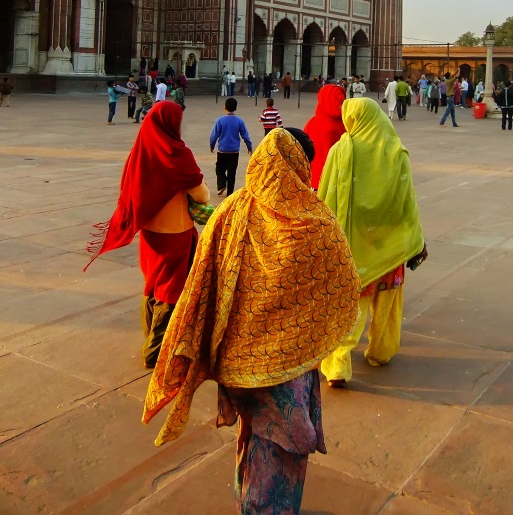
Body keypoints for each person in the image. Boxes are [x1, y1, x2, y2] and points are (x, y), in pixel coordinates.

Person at [142, 128, 360, 514]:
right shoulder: (314, 221)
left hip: (237, 362)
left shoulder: (230, 210)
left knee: (253, 431)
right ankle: (265, 508)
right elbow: (344, 281)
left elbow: (202, 282)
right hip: (287, 365)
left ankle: (249, 501)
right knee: (280, 446)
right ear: (298, 167)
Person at [86, 100, 210, 368]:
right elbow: (200, 193)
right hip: (176, 232)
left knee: (153, 282)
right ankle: (155, 349)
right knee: (171, 288)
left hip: (150, 232)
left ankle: (150, 333)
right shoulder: (178, 154)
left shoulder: (139, 152)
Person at [318, 98, 427, 387]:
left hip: (354, 247)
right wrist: (416, 239)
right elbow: (408, 203)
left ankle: (339, 364)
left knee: (352, 306)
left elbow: (326, 197)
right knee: (387, 303)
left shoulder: (341, 150)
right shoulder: (396, 152)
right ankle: (381, 351)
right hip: (389, 245)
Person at [303, 83, 347, 190]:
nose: (343, 107)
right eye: (340, 103)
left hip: (312, 180)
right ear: (331, 102)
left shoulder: (312, 122)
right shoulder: (336, 126)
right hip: (329, 183)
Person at [210, 97, 253, 196]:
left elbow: (214, 135)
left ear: (225, 107)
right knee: (232, 171)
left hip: (223, 150)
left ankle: (221, 185)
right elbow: (245, 135)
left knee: (220, 168)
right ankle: (230, 193)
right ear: (236, 108)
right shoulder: (239, 121)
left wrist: (212, 145)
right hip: (234, 151)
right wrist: (249, 146)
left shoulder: (220, 120)